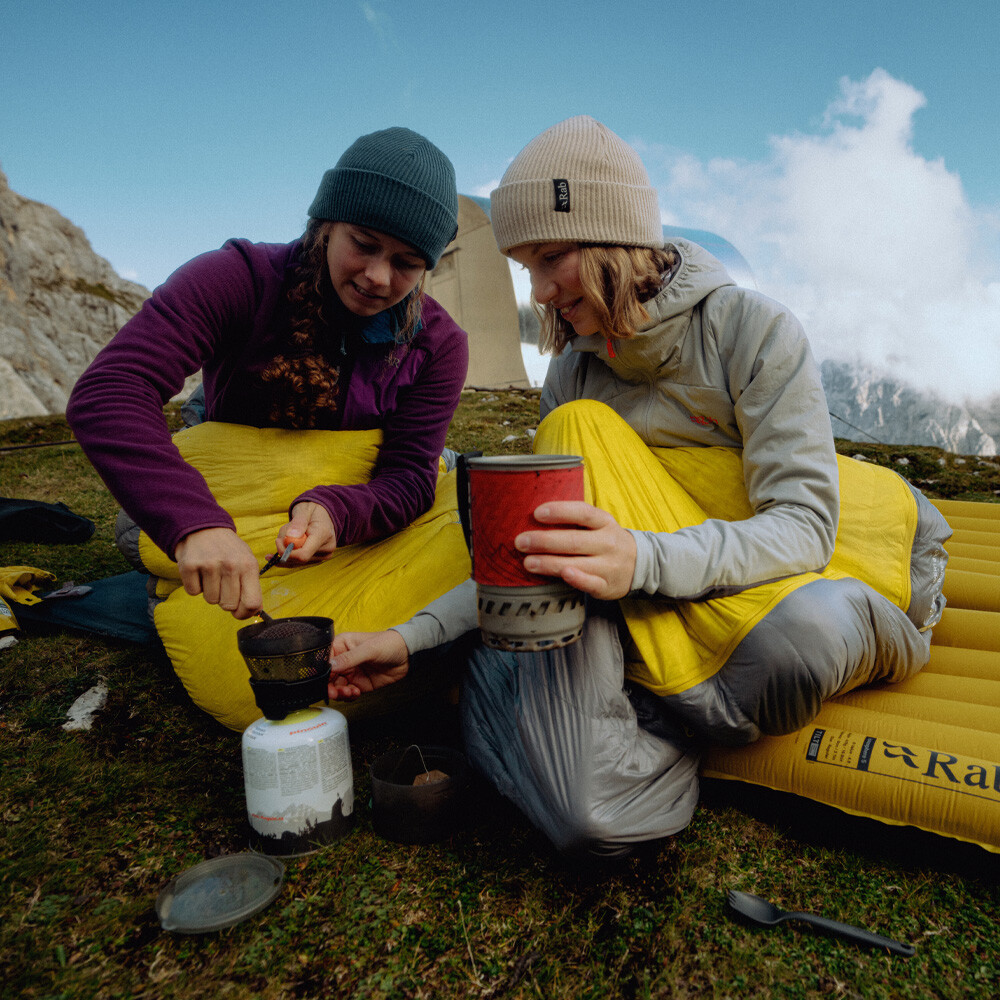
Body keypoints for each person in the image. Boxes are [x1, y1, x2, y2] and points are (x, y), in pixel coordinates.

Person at [325, 116, 951, 857]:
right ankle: (643, 719)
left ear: (615, 239)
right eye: (526, 268)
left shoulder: (751, 330)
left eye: (551, 258)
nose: (541, 291)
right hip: (651, 594)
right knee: (587, 812)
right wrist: (414, 639)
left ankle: (626, 711)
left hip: (777, 573)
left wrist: (642, 560)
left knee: (799, 646)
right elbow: (544, 551)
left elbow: (804, 526)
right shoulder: (573, 373)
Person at [66, 127, 472, 731]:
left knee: (459, 501)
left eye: (407, 263)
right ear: (325, 223)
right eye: (364, 244)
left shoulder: (437, 343)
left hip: (338, 525)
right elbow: (111, 390)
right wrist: (197, 525)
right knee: (146, 530)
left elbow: (408, 478)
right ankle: (188, 563)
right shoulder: (240, 278)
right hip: (232, 495)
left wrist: (336, 511)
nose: (378, 277)